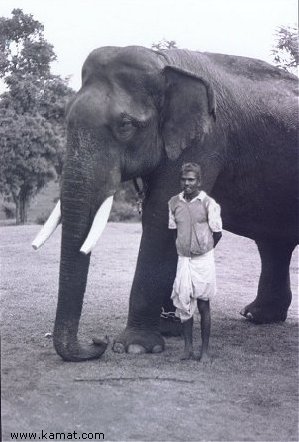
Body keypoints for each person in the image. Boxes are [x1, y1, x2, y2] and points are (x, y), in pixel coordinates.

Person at [168, 162, 222, 362]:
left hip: (203, 260)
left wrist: (202, 248)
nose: (187, 183)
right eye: (184, 179)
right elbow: (173, 230)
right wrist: (184, 248)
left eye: (191, 180)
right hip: (184, 260)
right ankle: (187, 349)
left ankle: (205, 351)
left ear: (198, 181)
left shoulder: (209, 203)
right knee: (184, 303)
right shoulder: (174, 203)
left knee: (203, 304)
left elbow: (217, 233)